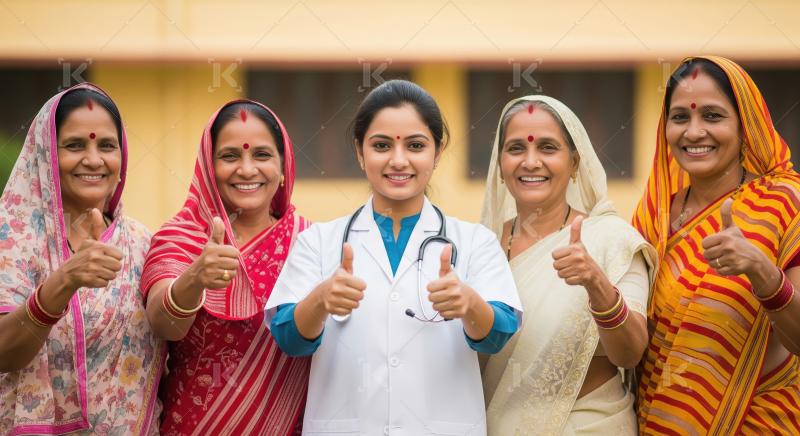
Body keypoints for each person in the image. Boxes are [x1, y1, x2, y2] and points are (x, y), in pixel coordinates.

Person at [265, 79, 522, 435]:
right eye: (381, 145)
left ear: (438, 151)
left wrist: (469, 303)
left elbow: (497, 337)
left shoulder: (475, 242)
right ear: (360, 152)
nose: (398, 160)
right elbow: (289, 340)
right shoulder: (318, 242)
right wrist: (320, 300)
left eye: (415, 145)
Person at [633, 55, 800, 434]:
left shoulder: (783, 204)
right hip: (661, 421)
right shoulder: (652, 218)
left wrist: (763, 273)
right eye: (680, 117)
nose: (693, 132)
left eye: (712, 116)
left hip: (759, 422)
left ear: (745, 125)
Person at [480, 95, 656, 435]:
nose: (531, 162)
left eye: (547, 148)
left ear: (574, 163)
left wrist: (597, 284)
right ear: (500, 165)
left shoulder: (611, 239)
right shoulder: (480, 247)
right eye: (516, 148)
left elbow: (630, 354)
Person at [0, 83, 166, 434]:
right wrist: (64, 281)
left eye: (106, 145)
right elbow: (4, 352)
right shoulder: (12, 237)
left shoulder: (140, 244)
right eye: (75, 145)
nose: (93, 159)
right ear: (46, 153)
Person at [141, 100, 310, 435]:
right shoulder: (181, 236)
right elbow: (163, 325)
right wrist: (194, 279)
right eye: (230, 156)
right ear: (209, 166)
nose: (246, 169)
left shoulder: (309, 243)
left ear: (283, 165)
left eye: (262, 155)